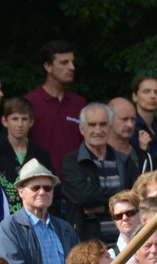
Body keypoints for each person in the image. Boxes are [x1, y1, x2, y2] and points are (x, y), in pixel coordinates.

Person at [63, 103, 130, 244]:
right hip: (88, 246)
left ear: (110, 127)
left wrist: (104, 208)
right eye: (92, 125)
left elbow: (134, 198)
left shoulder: (124, 161)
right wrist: (121, 195)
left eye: (103, 124)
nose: (98, 131)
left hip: (124, 246)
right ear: (82, 129)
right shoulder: (72, 161)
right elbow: (83, 196)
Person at [23, 40, 86, 163]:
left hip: (74, 174)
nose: (72, 67)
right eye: (64, 63)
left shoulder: (79, 104)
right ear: (48, 66)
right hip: (39, 173)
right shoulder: (29, 103)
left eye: (72, 62)